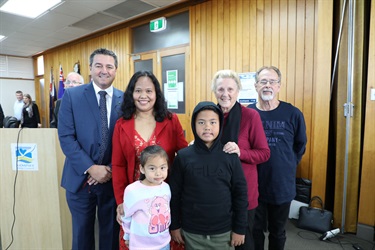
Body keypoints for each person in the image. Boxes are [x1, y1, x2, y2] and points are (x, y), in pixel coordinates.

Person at [111, 70, 188, 250]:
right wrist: (121, 201)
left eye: (149, 91)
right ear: (131, 94)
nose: (143, 96)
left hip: (164, 198)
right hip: (135, 201)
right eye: (138, 91)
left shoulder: (171, 120)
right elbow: (118, 164)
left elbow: (184, 156)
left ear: (156, 94)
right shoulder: (121, 124)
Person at [58, 48, 123, 250]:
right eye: (99, 65)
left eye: (109, 66)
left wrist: (109, 169)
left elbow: (126, 141)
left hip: (112, 180)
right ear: (90, 69)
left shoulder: (125, 99)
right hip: (80, 179)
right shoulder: (72, 96)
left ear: (116, 70)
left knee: (110, 235)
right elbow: (66, 137)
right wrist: (91, 168)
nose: (104, 70)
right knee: (82, 235)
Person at [169, 101, 248, 250]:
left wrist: (240, 228)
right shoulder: (183, 156)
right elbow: (175, 194)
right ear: (194, 124)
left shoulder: (230, 156)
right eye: (201, 122)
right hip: (191, 233)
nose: (207, 127)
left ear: (220, 124)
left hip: (224, 233)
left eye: (213, 122)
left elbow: (241, 194)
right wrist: (175, 225)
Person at [248, 66, 307, 250]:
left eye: (272, 81)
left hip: (281, 184)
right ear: (256, 85)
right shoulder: (248, 114)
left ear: (279, 86)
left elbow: (300, 145)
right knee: (254, 230)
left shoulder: (293, 113)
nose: (268, 85)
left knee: (278, 231)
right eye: (263, 81)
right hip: (254, 183)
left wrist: (287, 165)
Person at [211, 69, 270, 250]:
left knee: (243, 244)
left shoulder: (251, 116)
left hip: (243, 193)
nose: (225, 94)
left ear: (238, 91)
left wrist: (241, 152)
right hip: (215, 191)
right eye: (221, 89)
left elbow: (264, 153)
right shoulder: (209, 115)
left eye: (230, 89)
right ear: (215, 92)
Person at [121, 145, 171, 250]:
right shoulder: (132, 190)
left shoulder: (166, 187)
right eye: (152, 168)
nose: (158, 173)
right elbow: (126, 217)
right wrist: (127, 236)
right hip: (141, 246)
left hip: (164, 243)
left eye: (162, 167)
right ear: (142, 169)